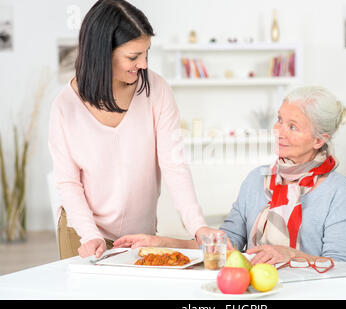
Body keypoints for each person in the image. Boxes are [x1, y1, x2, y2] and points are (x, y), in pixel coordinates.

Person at [48, 0, 218, 260]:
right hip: (83, 233)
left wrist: (197, 226)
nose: (144, 64)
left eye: (146, 53)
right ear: (102, 52)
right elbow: (68, 182)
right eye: (133, 56)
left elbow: (174, 165)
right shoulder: (65, 107)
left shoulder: (157, 91)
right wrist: (89, 233)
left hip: (141, 235)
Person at [115, 86, 346, 266]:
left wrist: (290, 254)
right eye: (280, 120)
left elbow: (341, 264)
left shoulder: (338, 190)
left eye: (292, 127)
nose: (278, 132)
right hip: (253, 290)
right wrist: (163, 243)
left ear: (319, 140)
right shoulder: (256, 180)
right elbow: (226, 245)